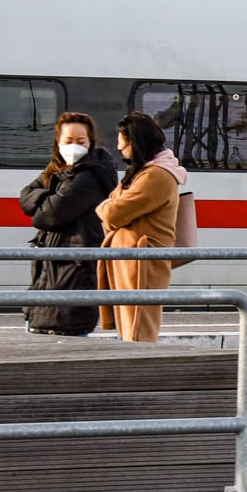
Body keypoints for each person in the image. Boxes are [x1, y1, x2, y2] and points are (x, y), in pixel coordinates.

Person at [18, 113, 119, 336]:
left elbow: (51, 215)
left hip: (72, 275)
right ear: (58, 142)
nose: (74, 147)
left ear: (91, 142)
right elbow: (24, 197)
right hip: (49, 280)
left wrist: (43, 201)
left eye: (81, 142)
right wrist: (49, 196)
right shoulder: (56, 171)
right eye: (68, 141)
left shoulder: (90, 175)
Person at [96, 112, 179, 342]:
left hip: (142, 264)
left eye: (123, 140)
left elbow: (113, 212)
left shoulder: (156, 175)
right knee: (130, 328)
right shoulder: (146, 172)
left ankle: (143, 377)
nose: (120, 147)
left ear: (136, 141)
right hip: (133, 260)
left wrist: (105, 208)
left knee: (138, 331)